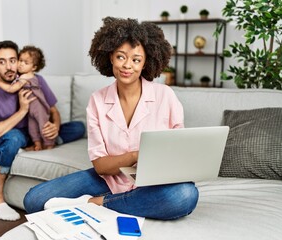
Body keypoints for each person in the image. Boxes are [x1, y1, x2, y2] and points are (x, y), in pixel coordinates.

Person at [23, 17, 199, 220]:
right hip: (109, 178)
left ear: (145, 63)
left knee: (185, 195)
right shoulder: (97, 101)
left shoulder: (165, 96)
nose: (127, 66)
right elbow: (101, 165)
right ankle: (129, 202)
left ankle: (95, 203)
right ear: (110, 58)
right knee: (34, 200)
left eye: (136, 60)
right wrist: (135, 156)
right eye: (121, 57)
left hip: (153, 182)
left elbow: (178, 150)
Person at [0, 40, 85, 221]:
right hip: (9, 133)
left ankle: (38, 142)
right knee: (13, 138)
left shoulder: (34, 79)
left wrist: (54, 126)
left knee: (78, 127)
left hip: (33, 130)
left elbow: (53, 111)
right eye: (2, 62)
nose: (9, 66)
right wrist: (22, 110)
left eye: (13, 60)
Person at [0, 45, 55, 151]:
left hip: (38, 107)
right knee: (32, 128)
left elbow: (12, 89)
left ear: (34, 67)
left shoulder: (26, 76)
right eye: (20, 60)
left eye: (25, 63)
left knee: (43, 126)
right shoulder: (21, 76)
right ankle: (37, 144)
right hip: (29, 109)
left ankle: (49, 144)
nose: (21, 64)